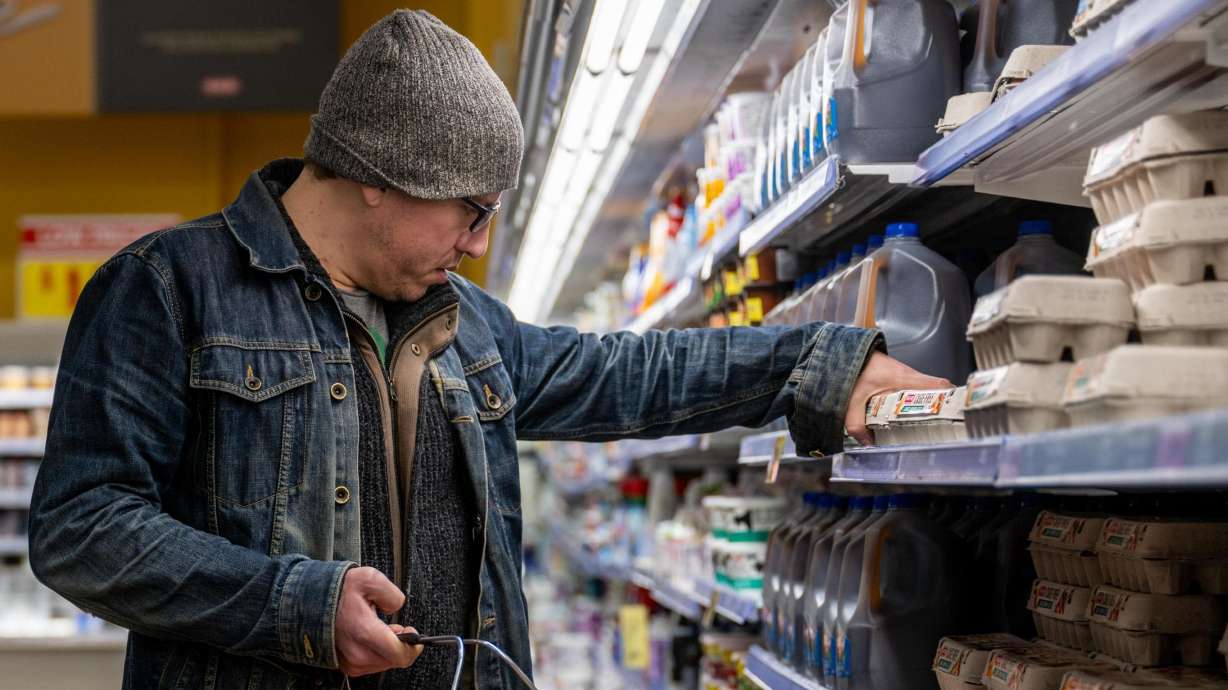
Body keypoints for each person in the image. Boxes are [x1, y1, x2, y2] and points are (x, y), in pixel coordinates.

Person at [27, 9, 949, 690]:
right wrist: (296, 605)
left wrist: (812, 365)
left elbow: (623, 373)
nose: (476, 242)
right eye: (469, 210)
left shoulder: (464, 321)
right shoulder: (166, 288)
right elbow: (81, 527)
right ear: (381, 178)